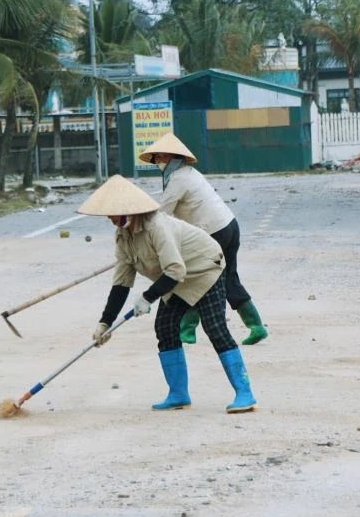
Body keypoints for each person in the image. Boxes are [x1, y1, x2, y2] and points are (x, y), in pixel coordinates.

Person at [83, 175, 258, 413]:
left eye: (113, 213)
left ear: (128, 210)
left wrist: (147, 297)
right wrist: (105, 323)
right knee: (165, 328)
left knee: (215, 328)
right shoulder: (123, 237)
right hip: (174, 280)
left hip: (204, 270)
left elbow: (176, 270)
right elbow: (121, 284)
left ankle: (244, 393)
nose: (109, 218)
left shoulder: (156, 226)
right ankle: (178, 394)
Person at [138, 132, 268, 346]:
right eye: (156, 158)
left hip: (214, 232)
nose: (158, 162)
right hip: (229, 226)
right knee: (228, 278)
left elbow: (162, 216)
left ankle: (187, 331)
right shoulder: (189, 173)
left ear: (172, 157)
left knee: (196, 277)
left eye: (161, 157)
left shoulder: (178, 180)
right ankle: (256, 325)